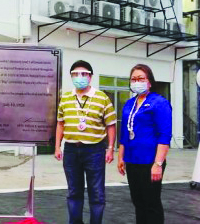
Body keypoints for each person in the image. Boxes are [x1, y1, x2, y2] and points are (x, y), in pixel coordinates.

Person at [54, 60, 116, 224]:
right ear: (71, 76)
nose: (79, 77)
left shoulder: (102, 98)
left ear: (91, 76)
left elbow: (111, 125)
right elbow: (60, 123)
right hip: (71, 150)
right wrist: (57, 146)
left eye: (84, 74)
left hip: (94, 150)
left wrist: (110, 148)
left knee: (96, 192)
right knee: (74, 191)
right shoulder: (65, 97)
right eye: (75, 74)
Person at [117, 64, 172, 224]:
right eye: (133, 79)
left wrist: (158, 164)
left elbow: (164, 135)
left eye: (141, 78)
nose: (136, 82)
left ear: (149, 82)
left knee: (151, 203)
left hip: (150, 162)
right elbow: (124, 133)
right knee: (138, 202)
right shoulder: (129, 103)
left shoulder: (159, 103)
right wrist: (121, 157)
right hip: (132, 161)